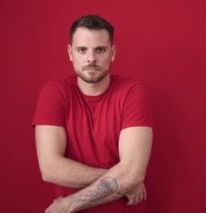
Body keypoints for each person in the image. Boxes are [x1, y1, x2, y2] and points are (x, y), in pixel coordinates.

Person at [33, 15, 153, 213]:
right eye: (82, 50)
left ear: (112, 52)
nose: (91, 59)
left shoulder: (133, 92)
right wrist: (124, 179)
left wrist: (69, 204)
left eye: (100, 49)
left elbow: (133, 172)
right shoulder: (54, 92)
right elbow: (50, 168)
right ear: (70, 53)